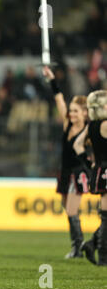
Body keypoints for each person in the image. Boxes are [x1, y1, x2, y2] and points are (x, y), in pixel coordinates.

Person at [42, 66, 90, 259]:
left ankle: (78, 248)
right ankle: (77, 245)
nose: (72, 113)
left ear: (85, 113)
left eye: (76, 111)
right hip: (65, 171)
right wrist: (52, 79)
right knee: (68, 210)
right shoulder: (67, 123)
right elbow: (59, 99)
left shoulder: (88, 131)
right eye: (71, 110)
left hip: (78, 172)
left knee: (71, 210)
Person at [74, 90, 107, 266]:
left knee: (106, 217)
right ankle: (103, 257)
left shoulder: (92, 125)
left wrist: (89, 165)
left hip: (100, 171)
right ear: (102, 106)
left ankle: (92, 245)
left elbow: (78, 144)